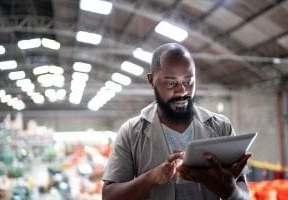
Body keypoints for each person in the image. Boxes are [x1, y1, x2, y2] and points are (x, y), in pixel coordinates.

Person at [102, 43, 252, 200]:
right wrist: (152, 177)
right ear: (151, 80)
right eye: (170, 83)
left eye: (188, 81)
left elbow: (244, 194)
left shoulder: (221, 127)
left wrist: (230, 191)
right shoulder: (131, 133)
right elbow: (109, 196)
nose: (182, 91)